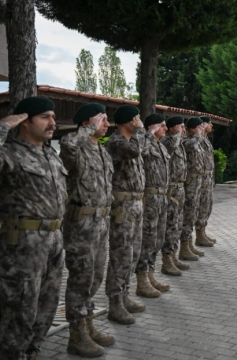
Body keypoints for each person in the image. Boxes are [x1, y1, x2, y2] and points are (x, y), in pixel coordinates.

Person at [0, 96, 67, 360]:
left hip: (54, 239)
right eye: (45, 117)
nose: (52, 122)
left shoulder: (49, 153)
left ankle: (32, 353)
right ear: (24, 121)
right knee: (20, 311)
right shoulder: (8, 153)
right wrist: (1, 126)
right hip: (23, 241)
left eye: (53, 117)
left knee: (47, 307)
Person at [60, 104, 115, 357]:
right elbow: (69, 144)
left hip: (101, 223)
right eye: (100, 119)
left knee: (95, 278)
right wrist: (88, 128)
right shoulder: (74, 147)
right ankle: (76, 333)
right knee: (80, 279)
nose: (106, 124)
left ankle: (89, 325)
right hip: (81, 224)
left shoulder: (102, 151)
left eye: (106, 120)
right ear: (85, 124)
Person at [104, 105, 149, 325]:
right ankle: (115, 303)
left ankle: (125, 295)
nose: (140, 121)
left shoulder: (133, 142)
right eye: (136, 118)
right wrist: (141, 130)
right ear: (127, 121)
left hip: (135, 205)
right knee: (121, 256)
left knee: (133, 254)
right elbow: (134, 151)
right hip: (122, 207)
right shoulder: (117, 143)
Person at [135, 114, 171, 298]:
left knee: (157, 239)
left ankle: (151, 275)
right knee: (147, 241)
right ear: (153, 126)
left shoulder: (160, 146)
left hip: (162, 199)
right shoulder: (146, 144)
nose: (166, 129)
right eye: (162, 126)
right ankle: (142, 281)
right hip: (149, 199)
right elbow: (137, 150)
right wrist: (147, 132)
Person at [160, 116, 197, 274]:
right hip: (171, 190)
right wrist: (175, 134)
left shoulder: (179, 144)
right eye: (180, 127)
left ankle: (173, 256)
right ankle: (167, 260)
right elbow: (169, 146)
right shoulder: (167, 142)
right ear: (171, 129)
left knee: (177, 224)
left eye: (184, 127)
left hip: (180, 189)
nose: (183, 130)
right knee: (170, 226)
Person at [180, 117, 208, 260]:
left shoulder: (198, 140)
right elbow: (190, 145)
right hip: (190, 183)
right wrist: (198, 134)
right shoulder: (186, 141)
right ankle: (184, 246)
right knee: (188, 213)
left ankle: (189, 243)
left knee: (194, 212)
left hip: (197, 182)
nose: (202, 129)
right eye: (199, 127)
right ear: (192, 129)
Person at [195, 116, 216, 247]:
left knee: (207, 206)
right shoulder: (198, 139)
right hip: (201, 180)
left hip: (208, 179)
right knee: (201, 206)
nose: (211, 125)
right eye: (209, 123)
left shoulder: (206, 140)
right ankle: (199, 234)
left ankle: (202, 232)